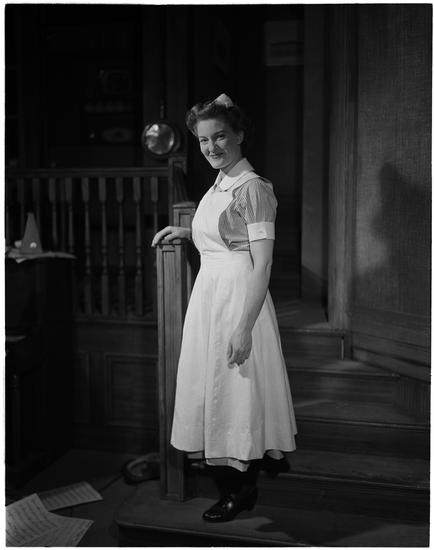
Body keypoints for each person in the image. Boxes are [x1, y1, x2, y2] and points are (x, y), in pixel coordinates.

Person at [152, 93, 297, 522]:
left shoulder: (253, 188)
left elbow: (262, 262)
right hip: (210, 294)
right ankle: (231, 478)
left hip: (239, 296)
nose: (211, 147)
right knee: (214, 385)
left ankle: (241, 489)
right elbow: (222, 237)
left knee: (237, 390)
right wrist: (186, 233)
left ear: (239, 135)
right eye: (203, 140)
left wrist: (244, 327)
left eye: (219, 137)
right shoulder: (219, 183)